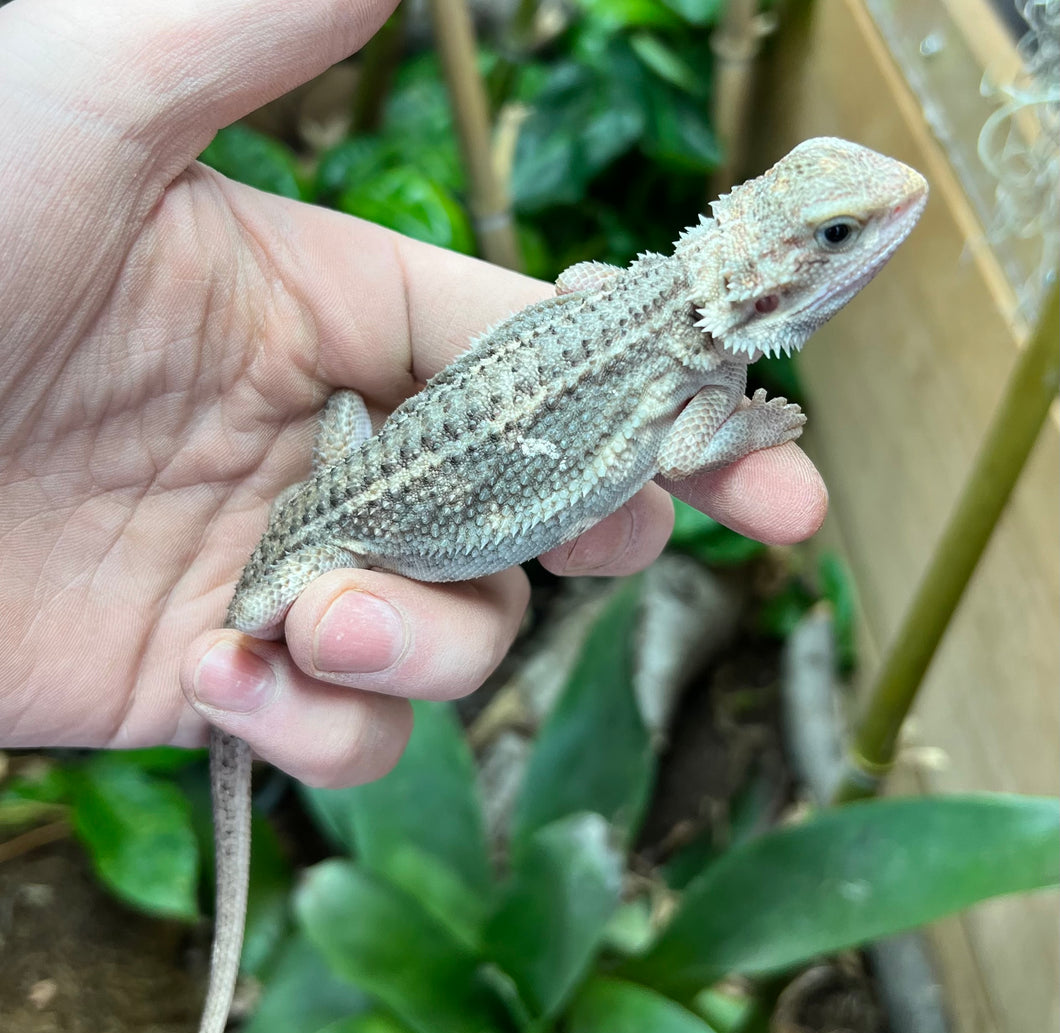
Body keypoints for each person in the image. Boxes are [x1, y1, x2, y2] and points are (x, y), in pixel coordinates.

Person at [0, 0, 826, 786]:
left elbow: (579, 278)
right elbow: (683, 449)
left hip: (352, 472)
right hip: (346, 524)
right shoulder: (700, 363)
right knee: (252, 626)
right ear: (765, 275)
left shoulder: (652, 295)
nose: (841, 246)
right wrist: (753, 424)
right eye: (833, 236)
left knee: (294, 633)